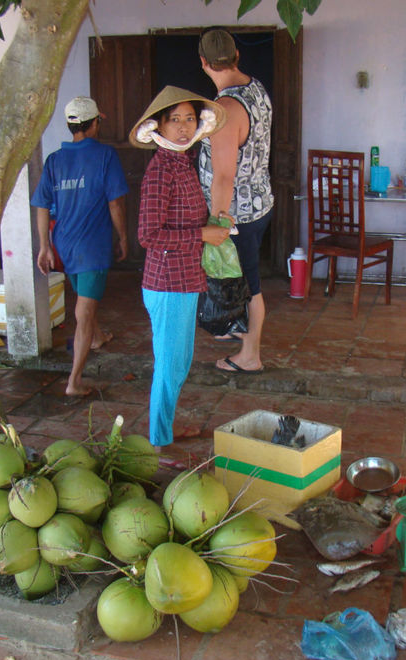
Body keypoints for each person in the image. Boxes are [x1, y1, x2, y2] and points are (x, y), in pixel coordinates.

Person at [130, 86, 229, 450]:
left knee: (179, 363)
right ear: (159, 126)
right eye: (175, 120)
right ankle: (159, 441)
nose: (184, 127)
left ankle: (165, 430)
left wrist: (215, 224)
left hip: (185, 279)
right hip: (168, 282)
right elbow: (148, 234)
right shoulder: (160, 172)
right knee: (170, 368)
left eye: (190, 119)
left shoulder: (182, 163)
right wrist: (203, 233)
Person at [31, 97, 128, 397]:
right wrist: (123, 236)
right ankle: (74, 381)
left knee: (85, 303)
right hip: (92, 247)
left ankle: (97, 337)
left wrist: (44, 246)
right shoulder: (105, 156)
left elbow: (42, 206)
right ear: (95, 123)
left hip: (65, 245)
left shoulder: (54, 160)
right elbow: (114, 202)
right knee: (83, 312)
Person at [198, 28, 274, 374]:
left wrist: (218, 222)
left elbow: (224, 175)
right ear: (236, 56)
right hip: (259, 202)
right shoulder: (256, 89)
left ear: (203, 62)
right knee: (243, 280)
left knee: (250, 287)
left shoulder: (226, 109)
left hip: (237, 215)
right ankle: (238, 332)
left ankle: (251, 355)